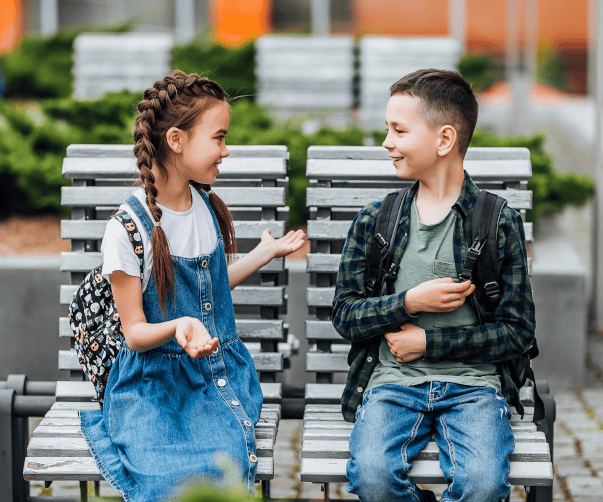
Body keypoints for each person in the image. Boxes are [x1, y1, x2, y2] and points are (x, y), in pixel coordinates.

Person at [80, 70, 305, 502]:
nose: (226, 150)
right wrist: (178, 326)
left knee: (220, 472)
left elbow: (211, 287)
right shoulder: (129, 229)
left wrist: (263, 254)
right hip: (154, 388)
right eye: (218, 138)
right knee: (165, 481)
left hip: (215, 378)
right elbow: (134, 333)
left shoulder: (204, 205)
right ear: (176, 140)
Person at [332, 69, 536, 502]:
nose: (387, 142)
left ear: (444, 140)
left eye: (398, 130)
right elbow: (345, 314)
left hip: (475, 388)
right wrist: (407, 302)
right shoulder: (377, 220)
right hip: (392, 384)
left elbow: (518, 332)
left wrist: (429, 344)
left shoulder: (498, 222)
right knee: (372, 478)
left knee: (483, 486)